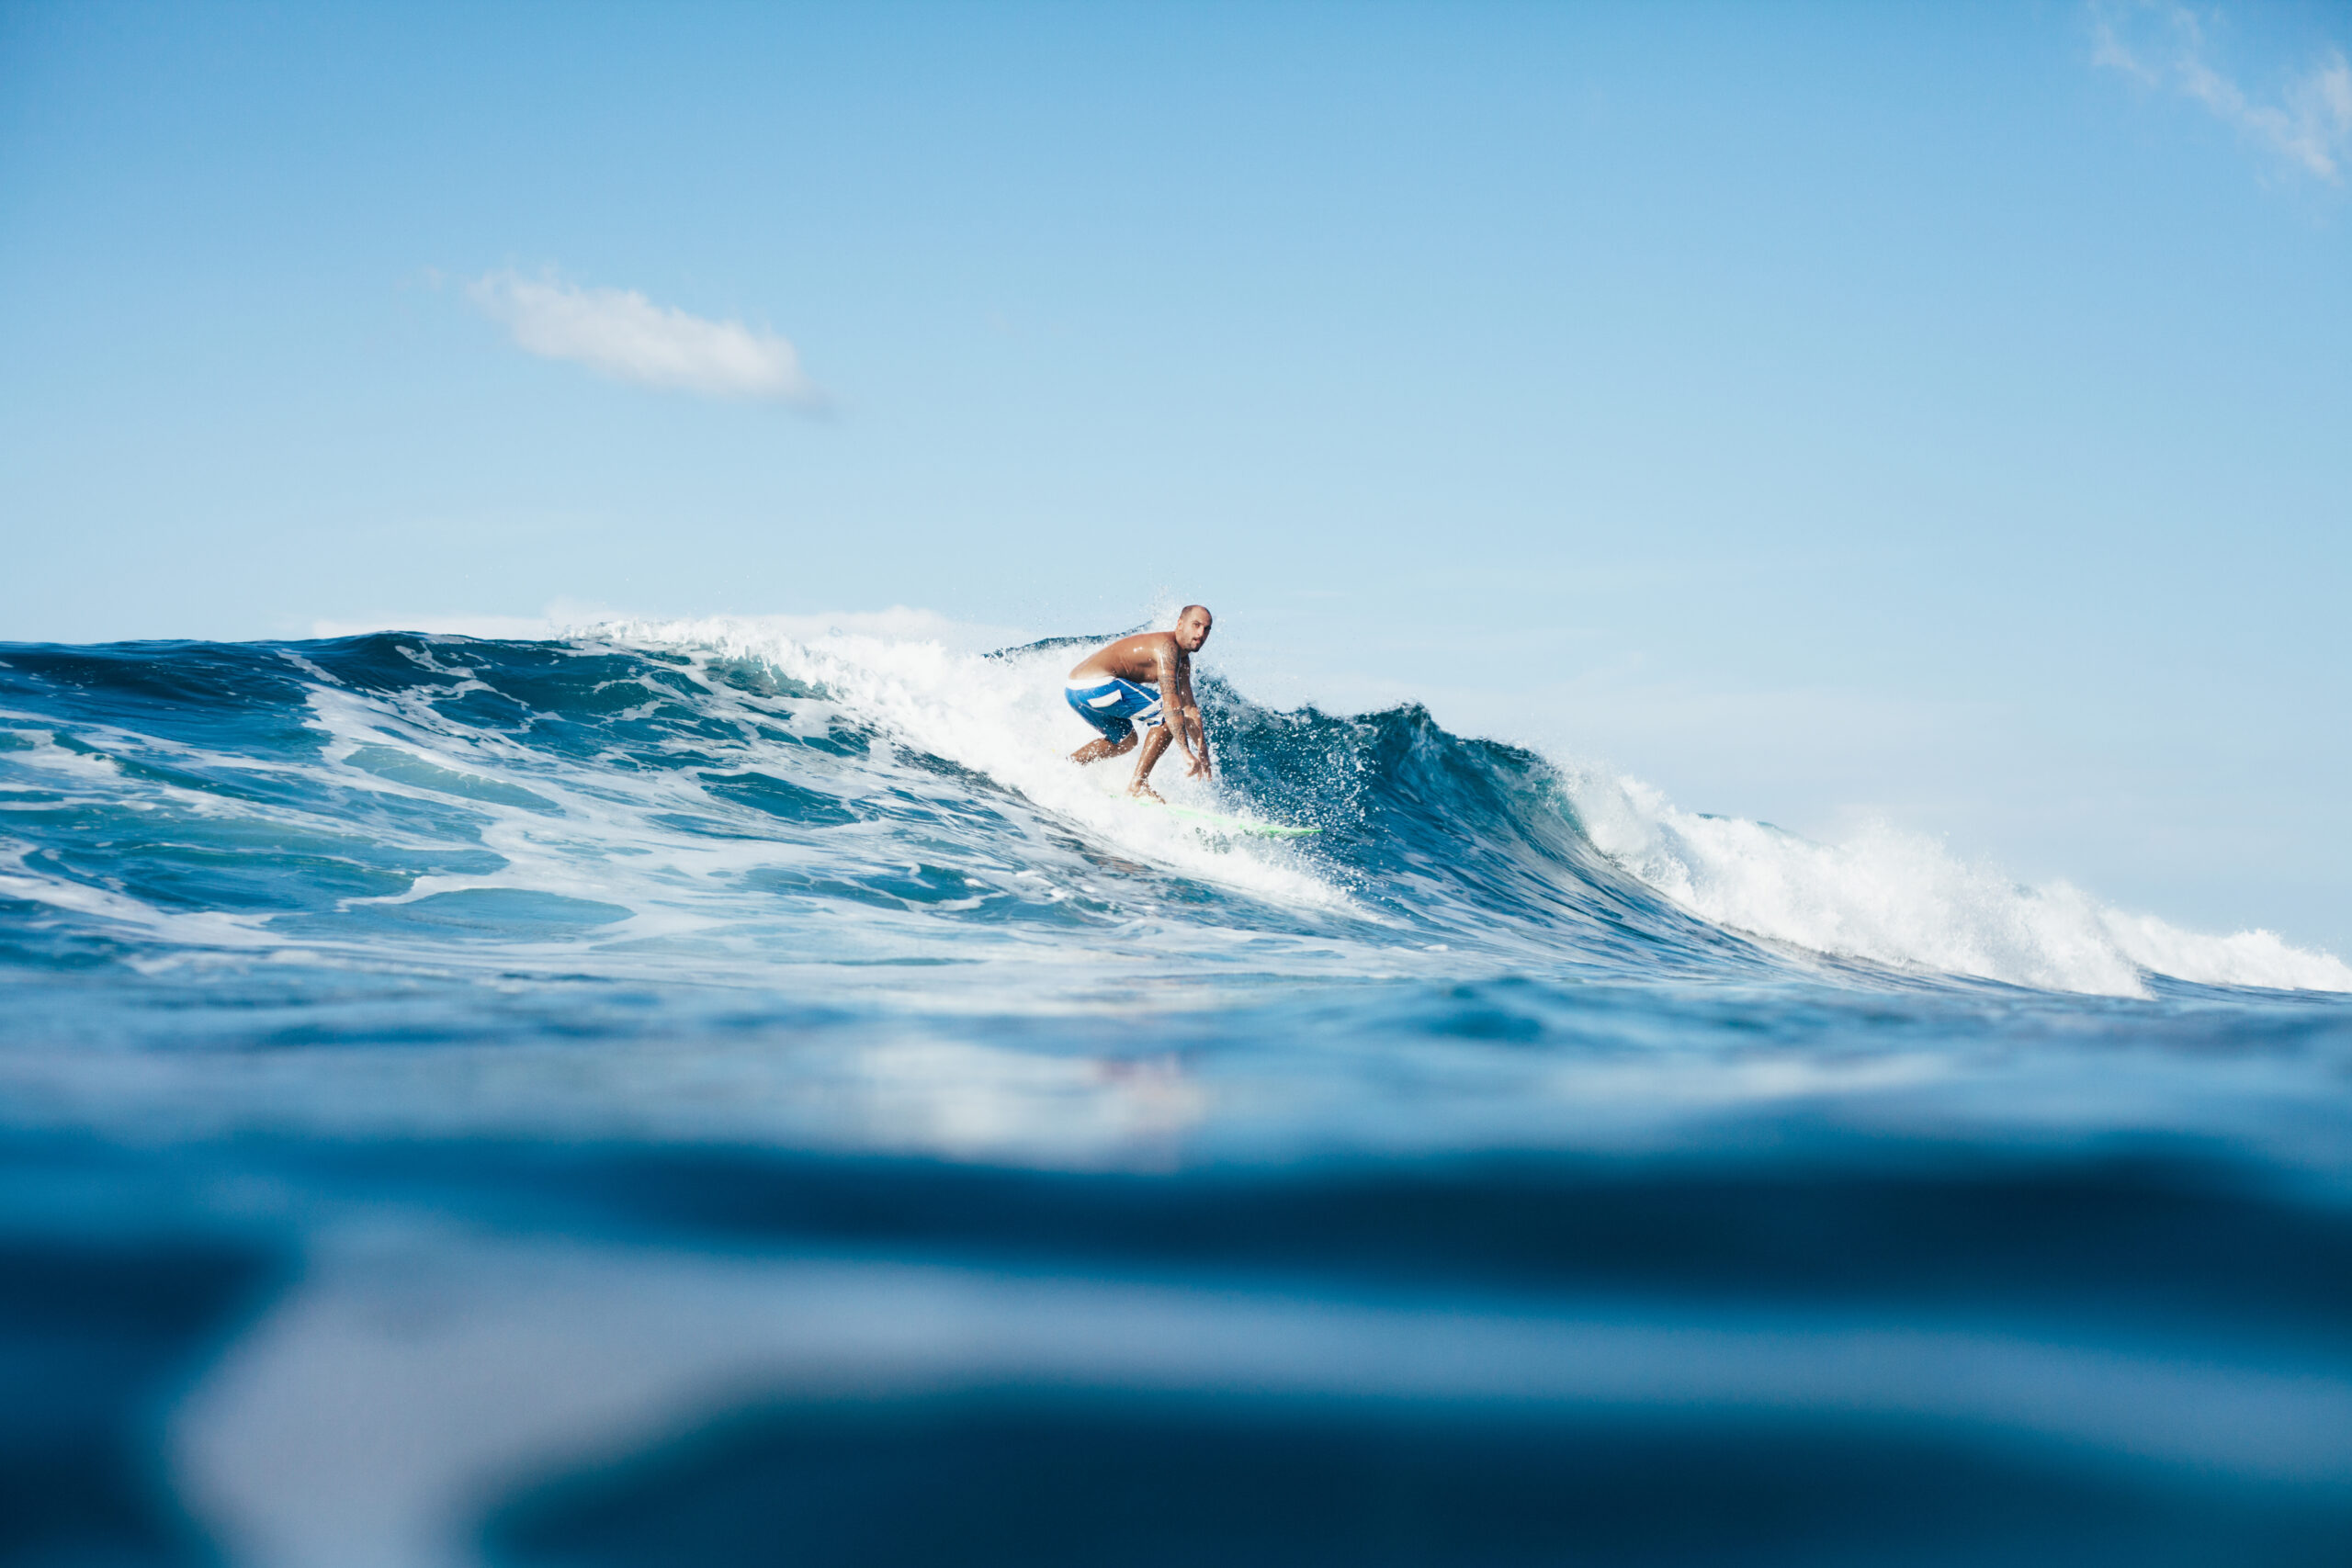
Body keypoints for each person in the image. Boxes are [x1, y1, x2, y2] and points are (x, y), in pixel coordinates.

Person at [1063, 605, 1214, 801]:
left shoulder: (1183, 662)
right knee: (1166, 716)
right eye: (1196, 625)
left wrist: (1202, 752)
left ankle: (1066, 766)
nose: (1200, 633)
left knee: (1126, 741)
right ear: (1180, 624)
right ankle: (1138, 785)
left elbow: (1189, 708)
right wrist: (1185, 752)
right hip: (1096, 685)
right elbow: (1171, 704)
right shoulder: (1167, 649)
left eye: (1206, 629)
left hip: (1075, 690)